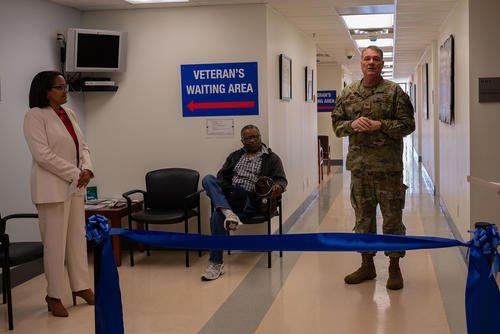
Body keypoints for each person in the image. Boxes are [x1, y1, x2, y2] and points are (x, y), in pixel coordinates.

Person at [331, 46, 415, 290]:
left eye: (376, 59)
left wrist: (380, 125)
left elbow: (408, 125)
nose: (371, 63)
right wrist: (352, 124)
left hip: (389, 170)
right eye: (367, 59)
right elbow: (337, 126)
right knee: (363, 220)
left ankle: (394, 267)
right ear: (360, 63)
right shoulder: (348, 93)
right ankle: (367, 265)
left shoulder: (394, 92)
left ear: (382, 63)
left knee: (392, 220)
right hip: (360, 170)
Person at [23, 71, 95, 317]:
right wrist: (76, 172)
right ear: (45, 90)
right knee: (54, 246)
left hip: (75, 187)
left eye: (66, 87)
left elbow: (82, 146)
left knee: (78, 239)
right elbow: (42, 155)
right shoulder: (34, 116)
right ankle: (53, 295)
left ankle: (81, 286)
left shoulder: (70, 113)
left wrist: (87, 169)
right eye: (59, 87)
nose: (65, 91)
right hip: (51, 190)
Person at [201, 125, 287, 281]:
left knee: (217, 215)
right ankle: (228, 213)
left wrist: (278, 187)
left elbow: (281, 179)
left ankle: (215, 260)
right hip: (231, 195)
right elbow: (221, 176)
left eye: (256, 136)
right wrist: (224, 188)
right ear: (242, 141)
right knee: (208, 179)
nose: (253, 140)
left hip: (251, 200)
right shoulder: (235, 156)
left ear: (260, 137)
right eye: (248, 138)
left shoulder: (271, 158)